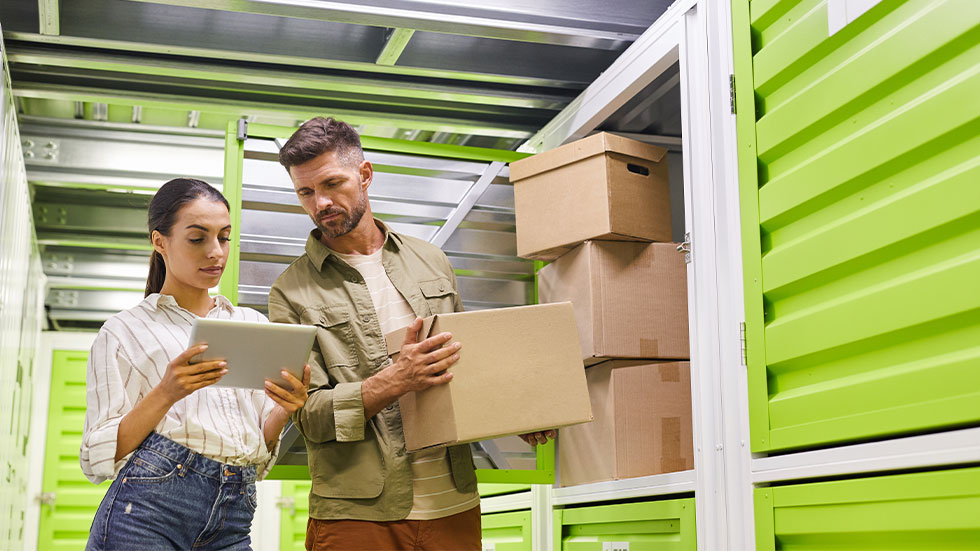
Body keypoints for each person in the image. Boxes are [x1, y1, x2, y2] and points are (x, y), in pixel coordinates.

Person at [267, 117, 554, 551]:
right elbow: (309, 416)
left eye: (332, 183)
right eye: (306, 192)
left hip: (453, 504)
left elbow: (463, 364)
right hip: (358, 515)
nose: (320, 202)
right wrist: (396, 380)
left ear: (364, 175)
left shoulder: (431, 261)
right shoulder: (290, 292)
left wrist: (516, 412)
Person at [80, 178, 311, 551]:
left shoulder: (252, 325)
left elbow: (258, 447)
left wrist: (284, 410)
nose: (215, 252)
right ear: (160, 242)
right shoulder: (125, 331)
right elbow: (96, 457)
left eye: (224, 237)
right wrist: (167, 391)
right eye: (197, 238)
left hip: (234, 513)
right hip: (148, 512)